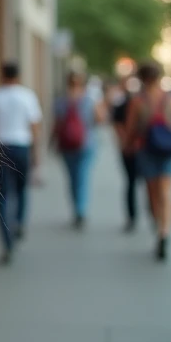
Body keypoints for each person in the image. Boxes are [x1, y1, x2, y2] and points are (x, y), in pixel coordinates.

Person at [123, 61, 171, 260]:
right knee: (166, 192)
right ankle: (164, 232)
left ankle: (159, 227)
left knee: (152, 193)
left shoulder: (138, 102)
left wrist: (127, 146)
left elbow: (131, 129)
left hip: (147, 150)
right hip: (168, 151)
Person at [0, 62, 42, 262]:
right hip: (22, 146)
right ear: (18, 76)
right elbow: (34, 125)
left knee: (1, 196)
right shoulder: (27, 96)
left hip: (0, 147)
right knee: (21, 189)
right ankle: (19, 221)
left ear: (2, 75)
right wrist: (36, 153)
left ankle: (7, 242)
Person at [53, 71, 105, 229]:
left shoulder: (61, 101)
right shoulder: (90, 99)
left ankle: (77, 208)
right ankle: (80, 210)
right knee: (82, 177)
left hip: (67, 145)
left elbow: (58, 125)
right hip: (87, 143)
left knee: (73, 178)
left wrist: (52, 143)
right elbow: (100, 119)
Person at [110, 76, 142, 232]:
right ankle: (135, 216)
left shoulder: (136, 103)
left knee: (132, 183)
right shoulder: (125, 104)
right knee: (135, 183)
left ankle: (134, 216)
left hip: (135, 148)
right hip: (135, 148)